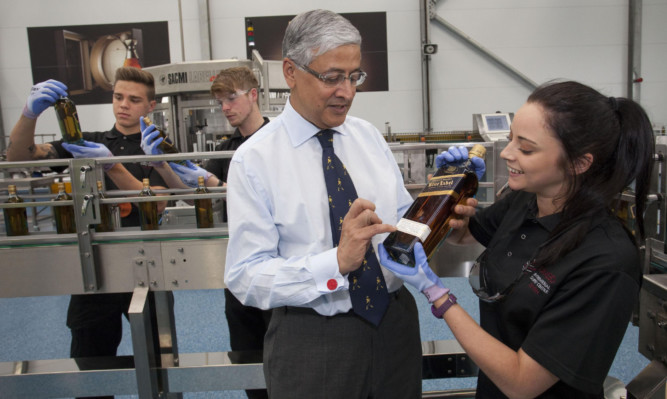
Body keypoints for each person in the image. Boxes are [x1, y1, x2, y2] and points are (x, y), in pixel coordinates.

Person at [379, 80, 655, 398]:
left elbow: (523, 383)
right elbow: (467, 233)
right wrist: (445, 197)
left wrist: (437, 293)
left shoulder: (605, 259)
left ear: (579, 163)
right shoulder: (526, 199)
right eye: (510, 139)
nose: (507, 153)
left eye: (526, 148)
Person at [223, 9, 422, 398]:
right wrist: (336, 262)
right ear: (290, 72)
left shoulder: (368, 139)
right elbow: (245, 276)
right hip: (313, 336)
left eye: (354, 76)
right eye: (332, 77)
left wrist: (443, 211)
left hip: (394, 324)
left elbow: (401, 223)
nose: (346, 91)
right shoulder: (254, 160)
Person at [7, 66, 169, 399]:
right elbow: (17, 157)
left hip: (146, 267)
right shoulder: (85, 144)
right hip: (94, 271)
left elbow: (161, 203)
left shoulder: (156, 148)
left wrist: (112, 165)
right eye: (118, 96)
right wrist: (29, 115)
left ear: (150, 106)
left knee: (159, 369)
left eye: (134, 99)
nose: (123, 104)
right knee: (92, 374)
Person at [141, 66, 272, 399]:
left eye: (232, 98)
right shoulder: (226, 148)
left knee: (284, 359)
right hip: (240, 272)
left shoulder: (279, 141)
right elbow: (192, 193)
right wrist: (165, 167)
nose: (226, 107)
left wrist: (215, 183)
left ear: (253, 95)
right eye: (220, 102)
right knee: (246, 358)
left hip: (278, 267)